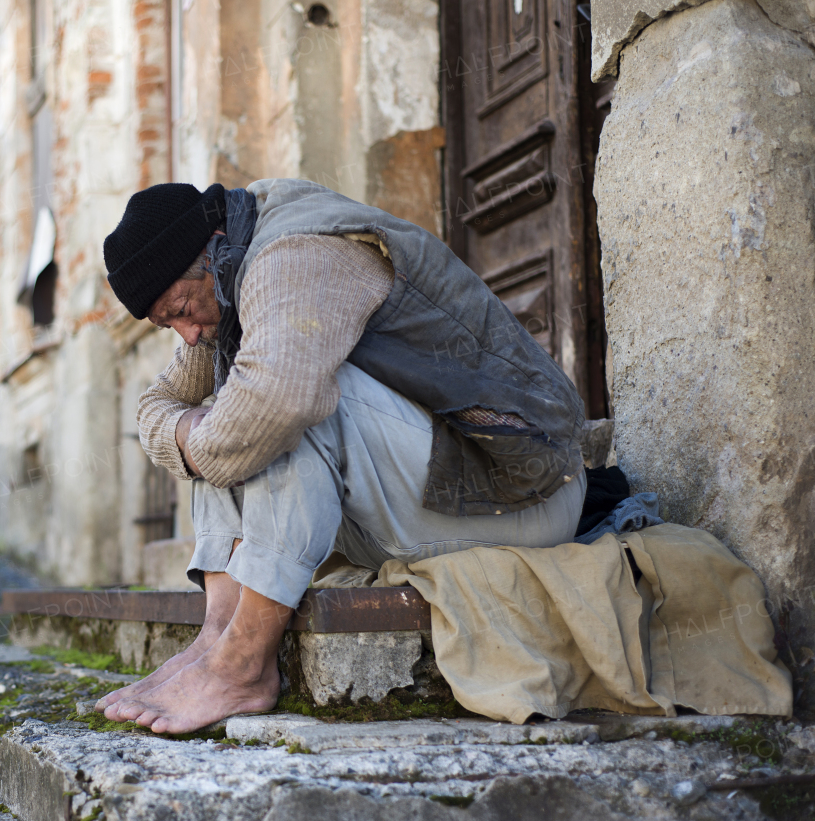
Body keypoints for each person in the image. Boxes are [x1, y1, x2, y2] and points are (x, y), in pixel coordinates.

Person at [95, 180, 588, 733]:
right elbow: (156, 404)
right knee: (221, 414)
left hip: (523, 492)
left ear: (209, 250)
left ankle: (243, 665)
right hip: (437, 499)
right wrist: (187, 429)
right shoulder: (225, 269)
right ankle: (216, 640)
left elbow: (273, 407)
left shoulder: (295, 254)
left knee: (275, 405)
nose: (187, 335)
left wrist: (196, 435)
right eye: (169, 324)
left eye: (183, 310)